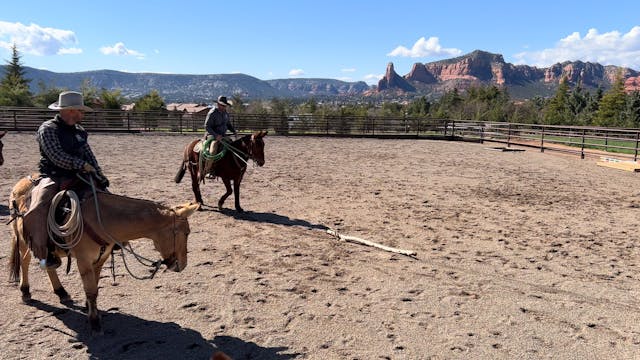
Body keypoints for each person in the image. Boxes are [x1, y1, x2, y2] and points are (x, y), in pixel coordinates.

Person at [22, 91, 109, 270]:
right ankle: (44, 253)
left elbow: (89, 155)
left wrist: (99, 175)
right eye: (80, 111)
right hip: (54, 175)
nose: (82, 115)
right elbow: (56, 156)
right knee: (40, 206)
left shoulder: (79, 131)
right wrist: (81, 164)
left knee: (106, 198)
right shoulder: (48, 129)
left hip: (79, 174)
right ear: (70, 111)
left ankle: (109, 238)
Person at [203, 95, 237, 176]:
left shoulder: (225, 113)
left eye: (225, 106)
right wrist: (216, 135)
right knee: (213, 149)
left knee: (232, 146)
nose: (224, 107)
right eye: (222, 105)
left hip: (223, 135)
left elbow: (228, 124)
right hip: (212, 135)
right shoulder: (212, 113)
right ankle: (209, 169)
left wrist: (234, 131)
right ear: (218, 104)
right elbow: (207, 126)